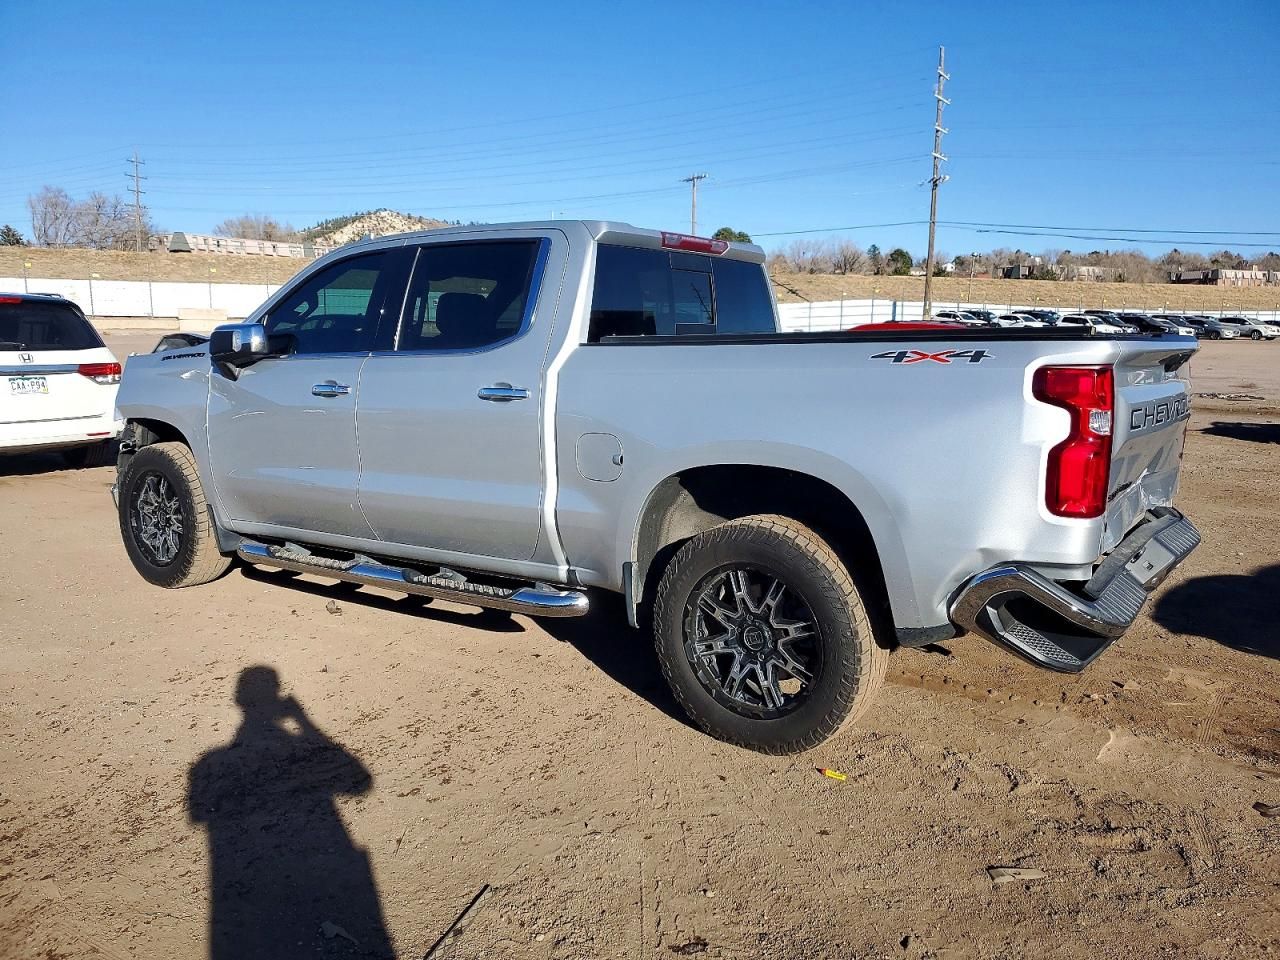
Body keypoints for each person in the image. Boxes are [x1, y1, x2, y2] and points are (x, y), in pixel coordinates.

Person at [188, 666, 394, 959]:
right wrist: (303, 721)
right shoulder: (213, 764)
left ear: (238, 701)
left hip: (245, 893)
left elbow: (200, 816)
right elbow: (360, 782)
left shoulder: (207, 765)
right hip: (322, 862)